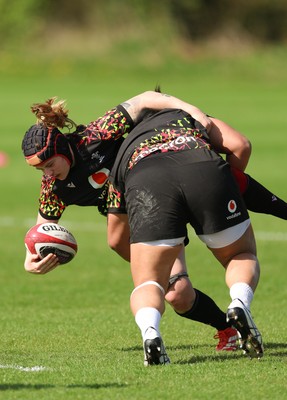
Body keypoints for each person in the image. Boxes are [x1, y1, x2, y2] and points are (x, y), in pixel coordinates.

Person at [22, 91, 285, 364]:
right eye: (40, 170)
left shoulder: (95, 136)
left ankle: (160, 325)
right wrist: (31, 259)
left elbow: (146, 98)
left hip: (156, 182)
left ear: (63, 149)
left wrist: (190, 110)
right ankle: (228, 327)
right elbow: (41, 231)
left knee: (154, 280)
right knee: (178, 293)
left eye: (49, 165)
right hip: (144, 212)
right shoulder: (53, 188)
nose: (47, 174)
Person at [108, 102, 266, 365]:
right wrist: (227, 187)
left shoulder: (127, 145)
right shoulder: (186, 116)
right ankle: (239, 303)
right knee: (240, 253)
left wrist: (154, 262)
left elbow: (115, 238)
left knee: (149, 282)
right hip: (204, 168)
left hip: (147, 181)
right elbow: (241, 145)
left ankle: (151, 334)